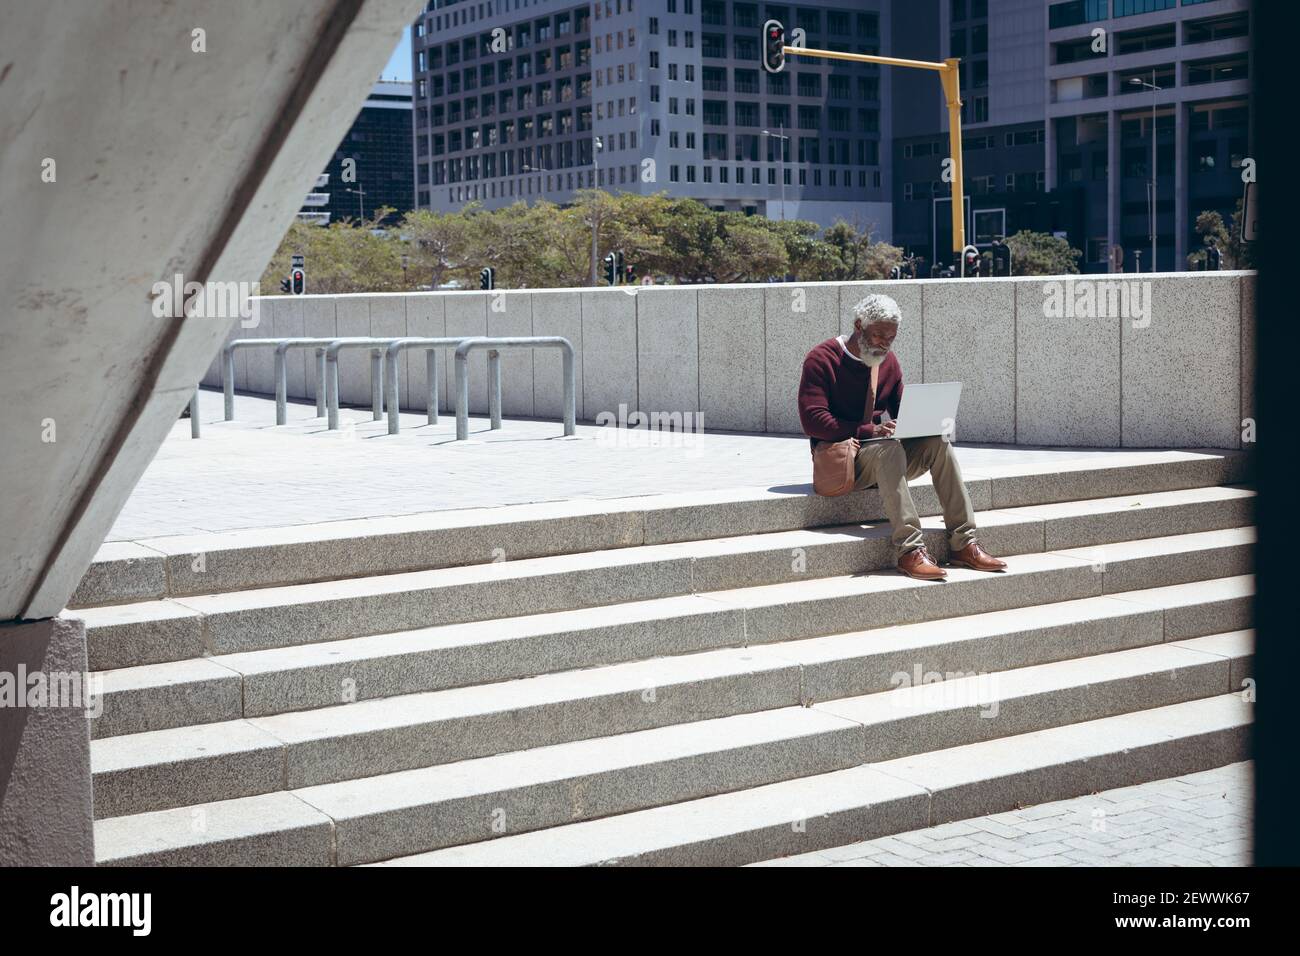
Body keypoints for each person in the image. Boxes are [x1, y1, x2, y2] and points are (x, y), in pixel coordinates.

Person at [797, 293, 1007, 581]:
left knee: (937, 442)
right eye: (878, 335)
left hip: (881, 456)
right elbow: (812, 421)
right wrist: (868, 430)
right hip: (842, 461)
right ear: (859, 325)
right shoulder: (822, 359)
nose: (884, 343)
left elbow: (902, 409)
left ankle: (963, 542)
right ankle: (909, 551)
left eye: (891, 337)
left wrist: (914, 423)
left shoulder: (888, 362)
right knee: (889, 450)